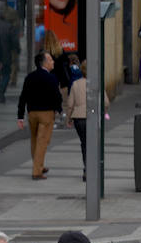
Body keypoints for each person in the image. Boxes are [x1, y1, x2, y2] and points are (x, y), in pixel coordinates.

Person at [17, 51, 63, 180]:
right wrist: (59, 110)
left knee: (35, 141)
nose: (53, 62)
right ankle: (36, 172)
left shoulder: (30, 77)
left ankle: (39, 165)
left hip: (32, 113)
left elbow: (23, 97)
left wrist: (20, 116)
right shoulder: (51, 78)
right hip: (46, 114)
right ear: (45, 63)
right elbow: (57, 96)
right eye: (51, 60)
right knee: (42, 142)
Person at [64, 57, 108, 182]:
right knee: (93, 143)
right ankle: (92, 169)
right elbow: (106, 102)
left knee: (84, 144)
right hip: (92, 116)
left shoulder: (76, 84)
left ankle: (86, 169)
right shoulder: (96, 83)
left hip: (79, 118)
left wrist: (68, 118)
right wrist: (103, 111)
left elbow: (70, 103)